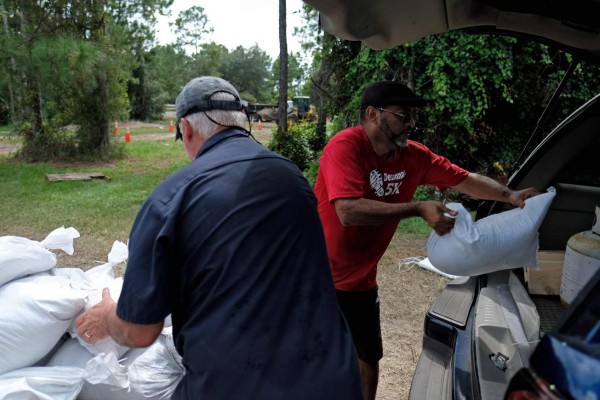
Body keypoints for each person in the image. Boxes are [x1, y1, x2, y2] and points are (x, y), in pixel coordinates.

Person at [76, 76, 363, 399]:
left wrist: (107, 316)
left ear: (185, 129)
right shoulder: (292, 177)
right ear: (242, 121)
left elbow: (140, 331)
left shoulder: (170, 200)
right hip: (334, 380)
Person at [313, 80, 540, 400]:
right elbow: (348, 211)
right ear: (373, 114)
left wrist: (510, 195)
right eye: (403, 115)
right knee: (313, 357)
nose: (412, 123)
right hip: (316, 276)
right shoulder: (345, 147)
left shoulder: (414, 157)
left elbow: (464, 179)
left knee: (368, 355)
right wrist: (418, 208)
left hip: (360, 281)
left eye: (413, 116)